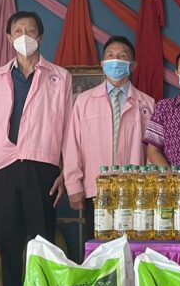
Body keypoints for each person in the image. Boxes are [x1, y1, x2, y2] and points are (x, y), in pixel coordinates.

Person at [0, 11, 71, 286]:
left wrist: (65, 170)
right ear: (8, 38)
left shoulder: (59, 76)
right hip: (4, 165)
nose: (24, 35)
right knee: (9, 243)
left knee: (43, 243)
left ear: (41, 37)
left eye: (31, 30)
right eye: (18, 30)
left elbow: (67, 126)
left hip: (42, 165)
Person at [64, 36, 154, 222]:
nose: (116, 60)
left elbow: (152, 151)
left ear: (133, 65)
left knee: (132, 239)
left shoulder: (147, 103)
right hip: (96, 188)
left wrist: (149, 186)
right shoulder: (84, 101)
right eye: (111, 55)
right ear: (103, 64)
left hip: (135, 190)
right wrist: (73, 185)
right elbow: (72, 145)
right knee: (98, 240)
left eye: (122, 56)